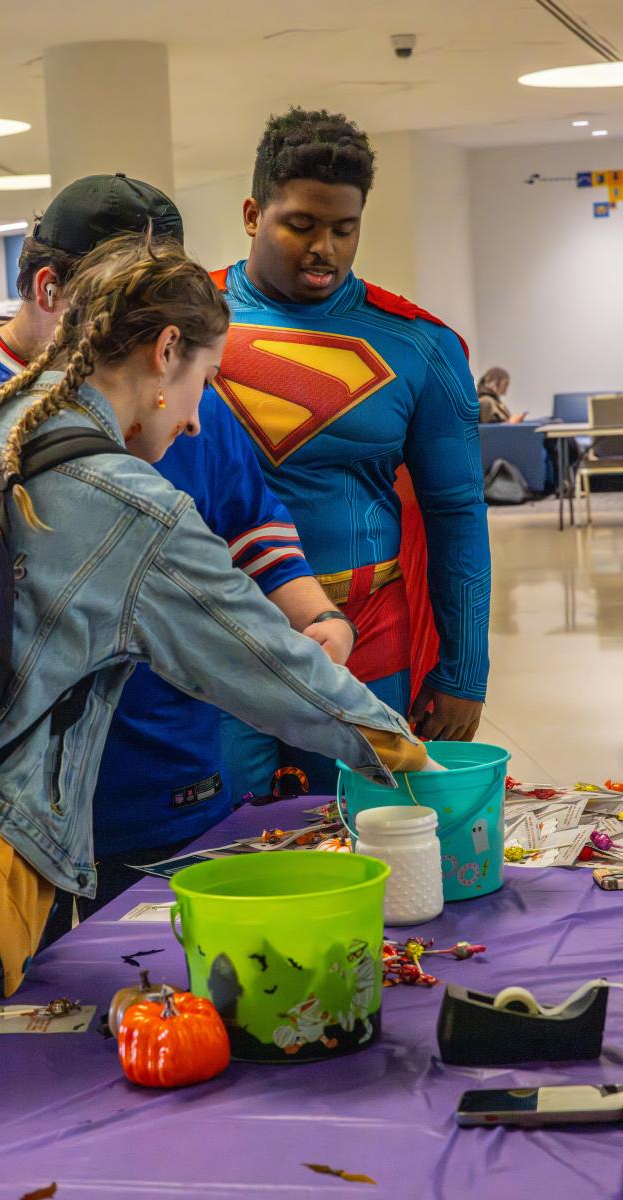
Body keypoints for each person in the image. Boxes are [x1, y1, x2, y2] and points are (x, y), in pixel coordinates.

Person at [0, 232, 432, 1027]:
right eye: (201, 384)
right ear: (165, 350)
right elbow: (277, 672)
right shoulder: (133, 505)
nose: (191, 422)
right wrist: (412, 758)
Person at [0, 174, 356, 914]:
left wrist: (318, 620)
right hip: (4, 795)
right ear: (52, 289)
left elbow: (250, 520)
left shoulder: (181, 390)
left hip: (164, 769)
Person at [212, 107, 491, 798]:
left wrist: (463, 672)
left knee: (364, 829)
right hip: (212, 627)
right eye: (300, 225)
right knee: (219, 846)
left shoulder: (420, 345)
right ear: (253, 213)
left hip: (368, 629)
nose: (324, 249)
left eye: (344, 229)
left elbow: (456, 510)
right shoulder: (181, 325)